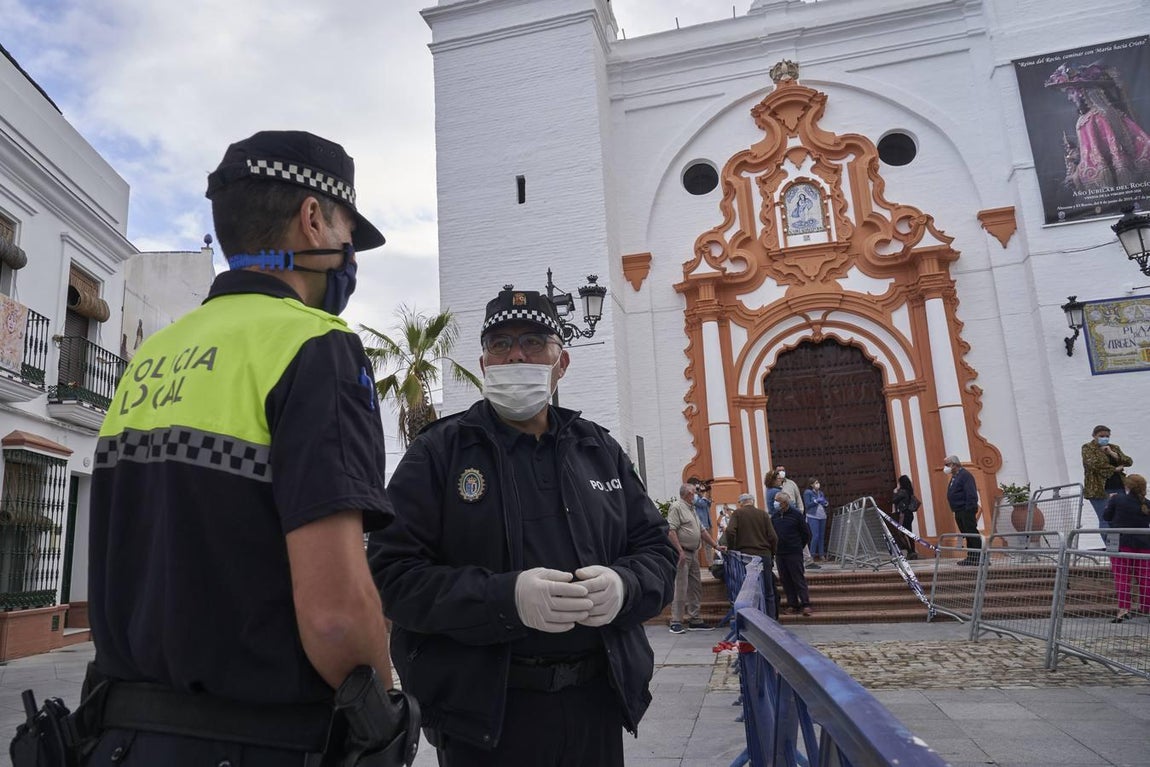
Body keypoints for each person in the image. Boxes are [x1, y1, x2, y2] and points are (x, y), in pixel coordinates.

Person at [85, 131, 401, 765]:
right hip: (263, 742)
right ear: (313, 219)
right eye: (346, 231)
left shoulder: (155, 354)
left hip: (122, 739)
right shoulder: (315, 348)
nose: (349, 255)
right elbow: (336, 617)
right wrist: (387, 706)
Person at [369, 287, 676, 766]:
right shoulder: (439, 454)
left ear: (562, 362)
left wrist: (626, 585)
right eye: (500, 343)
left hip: (595, 703)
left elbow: (657, 549)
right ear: (484, 362)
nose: (516, 354)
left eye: (534, 342)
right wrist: (504, 599)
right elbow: (392, 574)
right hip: (486, 720)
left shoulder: (598, 449)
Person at [667, 483, 726, 634]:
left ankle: (695, 619)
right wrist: (679, 550)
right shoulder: (677, 507)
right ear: (688, 494)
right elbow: (671, 530)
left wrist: (715, 546)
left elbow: (701, 530)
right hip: (683, 553)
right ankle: (676, 621)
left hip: (693, 552)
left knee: (695, 587)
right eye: (695, 492)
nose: (697, 494)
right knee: (681, 586)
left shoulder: (691, 508)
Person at [1102, 474, 1150, 623]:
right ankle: (1147, 609)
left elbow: (1106, 517)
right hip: (1144, 544)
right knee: (1145, 578)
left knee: (1122, 578)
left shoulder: (1117, 499)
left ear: (1127, 486)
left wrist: (1109, 502)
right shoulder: (1147, 503)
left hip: (1120, 543)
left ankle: (1123, 610)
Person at [1083, 425, 1134, 529]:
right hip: (1099, 490)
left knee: (1121, 518)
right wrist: (1114, 469)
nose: (1104, 438)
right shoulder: (1088, 448)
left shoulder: (1114, 447)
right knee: (1105, 519)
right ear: (1094, 436)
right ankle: (1109, 544)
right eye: (1101, 436)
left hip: (1118, 486)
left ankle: (1121, 544)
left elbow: (1128, 461)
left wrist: (1112, 453)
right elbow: (1094, 464)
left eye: (1107, 436)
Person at [771, 492, 812, 615]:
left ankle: (806, 604)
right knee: (785, 580)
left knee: (798, 578)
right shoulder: (775, 517)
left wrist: (799, 545)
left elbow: (806, 534)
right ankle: (792, 604)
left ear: (784, 503)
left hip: (794, 552)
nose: (775, 503)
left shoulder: (796, 515)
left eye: (777, 500)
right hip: (780, 553)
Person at [722, 493, 778, 571]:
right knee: (766, 582)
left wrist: (732, 548)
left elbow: (730, 531)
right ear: (753, 502)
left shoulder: (737, 513)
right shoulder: (763, 514)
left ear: (741, 503)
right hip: (764, 554)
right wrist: (772, 552)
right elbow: (773, 536)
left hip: (746, 555)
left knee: (749, 582)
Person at [944, 455, 981, 565]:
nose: (945, 467)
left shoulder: (965, 475)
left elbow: (971, 493)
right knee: (966, 533)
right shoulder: (955, 476)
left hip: (966, 509)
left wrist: (969, 508)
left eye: (947, 465)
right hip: (958, 510)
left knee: (971, 532)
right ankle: (972, 557)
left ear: (954, 464)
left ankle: (979, 557)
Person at [892, 475, 920, 560]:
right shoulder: (909, 491)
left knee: (900, 533)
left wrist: (895, 491)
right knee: (909, 532)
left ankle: (910, 551)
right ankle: (913, 551)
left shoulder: (902, 492)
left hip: (903, 514)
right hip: (909, 514)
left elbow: (894, 500)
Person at [803, 478, 829, 564]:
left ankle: (821, 554)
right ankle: (812, 555)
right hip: (812, 516)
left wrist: (825, 503)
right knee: (815, 535)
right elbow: (807, 505)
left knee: (821, 536)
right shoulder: (808, 492)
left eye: (818, 482)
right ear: (811, 484)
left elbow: (824, 502)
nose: (818, 484)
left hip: (822, 516)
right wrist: (815, 501)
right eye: (816, 483)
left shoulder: (820, 493)